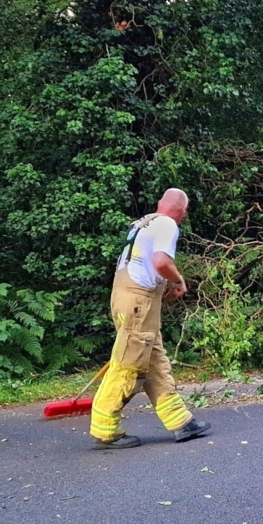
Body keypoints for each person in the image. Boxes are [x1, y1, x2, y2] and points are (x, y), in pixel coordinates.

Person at [89, 189, 210, 449]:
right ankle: (105, 429)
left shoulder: (143, 222)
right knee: (129, 365)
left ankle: (179, 421)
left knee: (155, 361)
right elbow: (161, 262)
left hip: (127, 298)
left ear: (159, 204)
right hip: (138, 302)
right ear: (183, 212)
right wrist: (178, 280)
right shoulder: (167, 224)